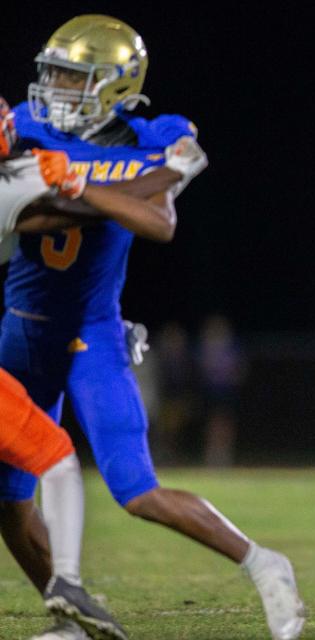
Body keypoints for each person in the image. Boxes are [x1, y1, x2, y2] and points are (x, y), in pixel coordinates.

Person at [0, 17, 304, 640]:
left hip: (90, 337)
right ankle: (70, 619)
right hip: (19, 331)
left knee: (136, 490)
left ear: (114, 85)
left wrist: (76, 186)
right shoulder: (26, 131)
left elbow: (160, 219)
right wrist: (105, 194)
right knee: (8, 500)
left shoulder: (144, 135)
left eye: (72, 76)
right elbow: (23, 218)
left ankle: (264, 564)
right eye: (51, 71)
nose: (54, 86)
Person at [2, 99, 130, 639]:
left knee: (38, 469)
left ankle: (69, 602)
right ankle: (69, 586)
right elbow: (82, 213)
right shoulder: (11, 182)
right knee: (54, 455)